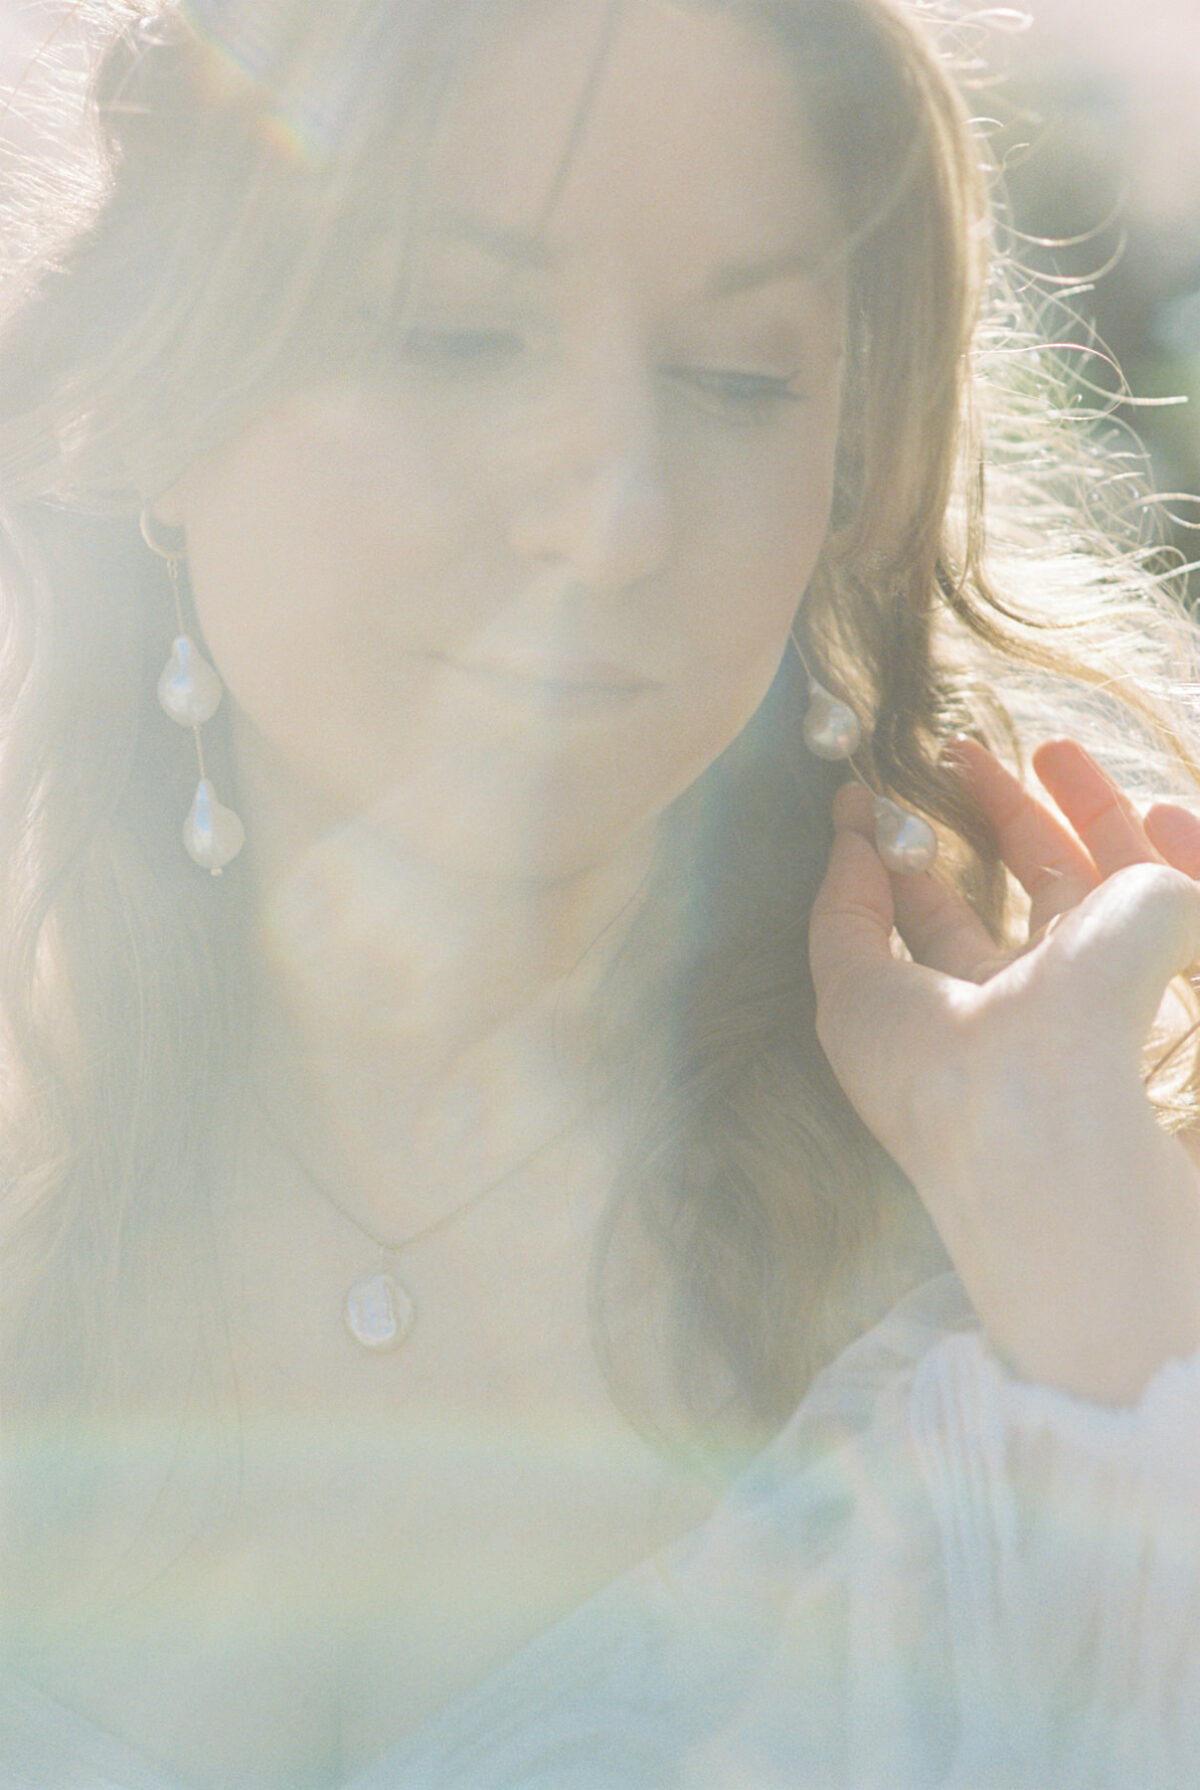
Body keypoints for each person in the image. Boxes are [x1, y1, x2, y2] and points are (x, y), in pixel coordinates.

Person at [2, 0, 1200, 1784]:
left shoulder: (1017, 1311)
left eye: (738, 379)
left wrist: (1111, 1301)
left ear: (845, 477)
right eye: (456, 332)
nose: (617, 515)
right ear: (168, 381)